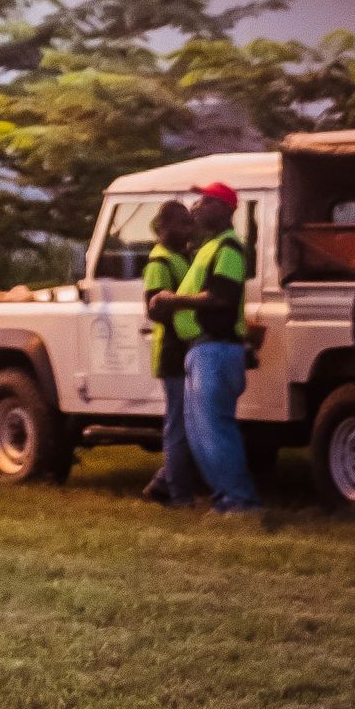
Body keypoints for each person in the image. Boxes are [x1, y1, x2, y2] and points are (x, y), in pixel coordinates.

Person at [166, 182, 259, 516]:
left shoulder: (230, 249)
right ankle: (225, 500)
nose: (197, 207)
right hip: (203, 350)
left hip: (217, 351)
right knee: (200, 432)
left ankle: (241, 502)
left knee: (215, 431)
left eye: (205, 201)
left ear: (225, 209)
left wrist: (173, 300)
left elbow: (221, 297)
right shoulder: (211, 247)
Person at [139, 198, 204, 508]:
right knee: (179, 425)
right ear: (163, 228)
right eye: (183, 223)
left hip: (187, 349)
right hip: (172, 351)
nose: (189, 228)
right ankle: (178, 496)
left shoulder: (183, 257)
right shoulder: (159, 262)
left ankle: (164, 482)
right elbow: (155, 309)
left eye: (190, 222)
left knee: (189, 424)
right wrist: (190, 310)